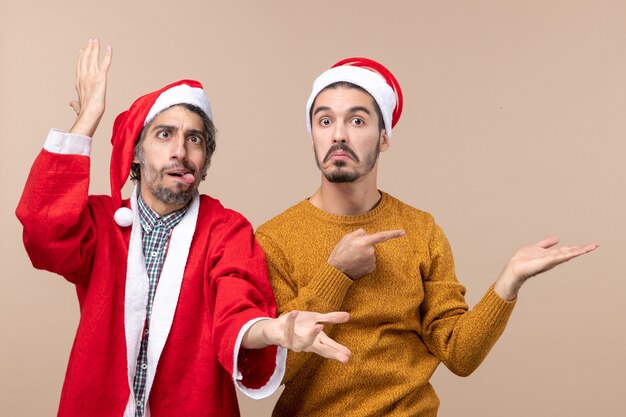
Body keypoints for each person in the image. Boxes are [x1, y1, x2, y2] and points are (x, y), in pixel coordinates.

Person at [16, 39, 351, 417]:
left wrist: (274, 332)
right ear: (136, 154)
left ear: (204, 157)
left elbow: (236, 311)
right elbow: (43, 232)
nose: (181, 151)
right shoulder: (100, 223)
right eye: (165, 135)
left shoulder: (226, 230)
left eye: (194, 139)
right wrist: (87, 120)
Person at [255, 57, 598, 417]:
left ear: (385, 137)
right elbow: (272, 372)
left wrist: (507, 283)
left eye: (357, 121)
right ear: (312, 134)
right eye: (325, 121)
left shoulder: (420, 230)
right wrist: (336, 274)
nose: (339, 134)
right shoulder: (274, 238)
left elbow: (459, 355)